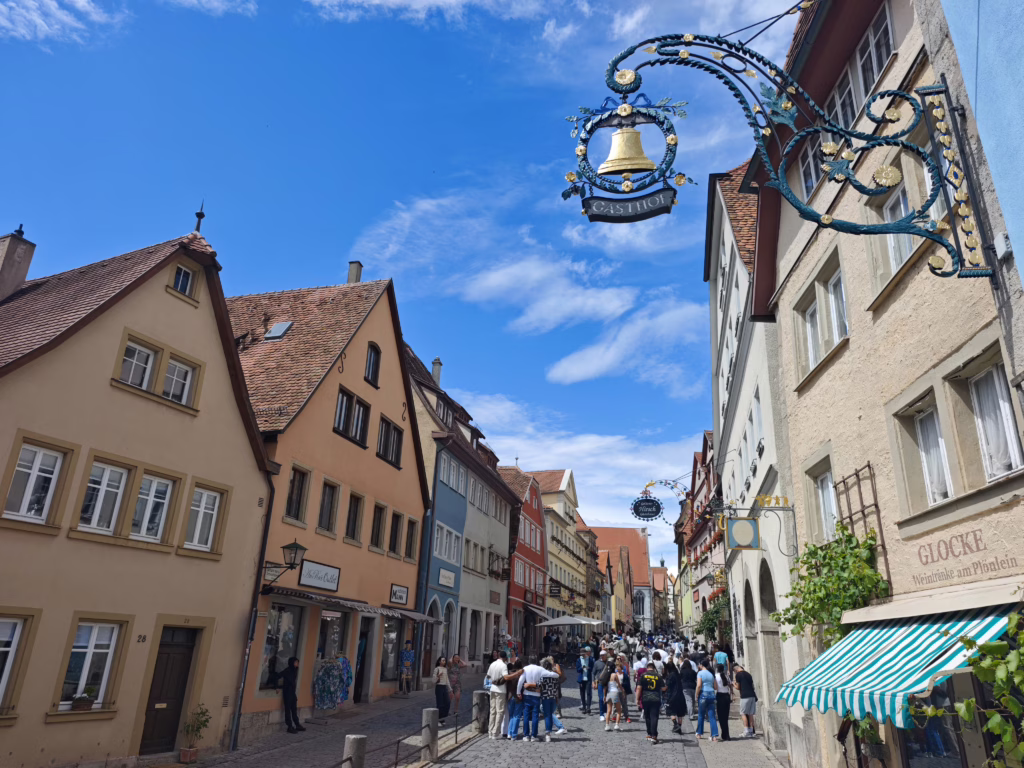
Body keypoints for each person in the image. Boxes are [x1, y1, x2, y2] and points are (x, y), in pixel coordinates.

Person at [517, 657, 550, 742]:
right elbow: (548, 677)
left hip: (527, 694)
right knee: (535, 716)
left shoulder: (525, 669)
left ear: (528, 661)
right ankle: (534, 736)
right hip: (536, 694)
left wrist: (518, 692)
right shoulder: (540, 669)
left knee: (526, 716)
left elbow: (520, 681)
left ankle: (526, 735)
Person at [637, 660, 666, 744]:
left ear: (647, 668)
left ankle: (649, 733)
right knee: (654, 717)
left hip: (645, 698)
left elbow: (639, 688)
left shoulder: (643, 675)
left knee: (647, 716)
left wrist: (637, 699)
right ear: (654, 668)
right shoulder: (658, 676)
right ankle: (654, 735)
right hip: (656, 698)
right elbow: (663, 688)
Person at [538, 658, 568, 740]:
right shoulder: (555, 676)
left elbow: (539, 686)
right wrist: (557, 697)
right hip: (554, 697)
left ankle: (548, 734)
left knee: (547, 715)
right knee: (550, 714)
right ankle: (554, 730)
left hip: (546, 697)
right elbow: (557, 686)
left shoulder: (543, 676)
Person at [277, 656, 304, 734]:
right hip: (287, 692)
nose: (297, 664)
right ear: (292, 663)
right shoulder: (287, 670)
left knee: (294, 709)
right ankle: (289, 726)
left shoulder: (294, 670)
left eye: (297, 662)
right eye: (296, 662)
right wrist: (278, 687)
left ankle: (297, 724)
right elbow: (278, 676)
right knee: (288, 710)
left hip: (292, 693)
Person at [486, 651, 508, 740]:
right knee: (500, 711)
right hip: (501, 690)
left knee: (492, 711)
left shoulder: (492, 664)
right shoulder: (503, 665)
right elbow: (506, 677)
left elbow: (488, 676)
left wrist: (493, 679)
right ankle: (495, 732)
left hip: (492, 689)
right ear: (505, 657)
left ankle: (490, 732)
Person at [695, 660, 719, 741]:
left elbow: (699, 685)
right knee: (712, 716)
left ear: (701, 665)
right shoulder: (711, 674)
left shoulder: (700, 673)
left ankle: (699, 733)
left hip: (703, 694)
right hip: (712, 694)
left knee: (701, 714)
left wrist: (696, 694)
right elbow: (716, 687)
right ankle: (714, 735)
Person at [733, 663, 758, 738]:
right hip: (752, 695)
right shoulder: (748, 674)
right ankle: (751, 732)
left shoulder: (738, 675)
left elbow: (738, 687)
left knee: (743, 713)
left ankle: (746, 731)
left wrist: (733, 684)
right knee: (750, 714)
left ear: (736, 670)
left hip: (745, 696)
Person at [664, 659, 688, 735]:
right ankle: (679, 727)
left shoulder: (670, 676)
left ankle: (675, 725)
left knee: (672, 712)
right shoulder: (678, 674)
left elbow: (667, 686)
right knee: (680, 713)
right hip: (681, 695)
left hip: (672, 696)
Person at [505, 656, 525, 739]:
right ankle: (514, 734)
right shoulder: (521, 674)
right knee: (516, 716)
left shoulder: (510, 673)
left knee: (511, 715)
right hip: (518, 696)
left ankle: (509, 733)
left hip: (510, 696)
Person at [715, 663, 732, 741]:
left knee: (721, 717)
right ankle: (726, 734)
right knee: (725, 717)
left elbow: (715, 687)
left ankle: (724, 734)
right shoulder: (726, 676)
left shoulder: (716, 676)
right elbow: (730, 685)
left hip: (720, 696)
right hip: (727, 696)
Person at [605, 660, 624, 731]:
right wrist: (623, 691)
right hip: (615, 692)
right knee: (619, 710)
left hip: (609, 693)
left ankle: (607, 725)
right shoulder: (614, 675)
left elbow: (605, 687)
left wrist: (604, 696)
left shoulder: (606, 675)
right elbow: (619, 685)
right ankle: (616, 725)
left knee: (608, 710)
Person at [432, 656, 451, 725]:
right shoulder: (437, 669)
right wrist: (438, 676)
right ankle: (439, 719)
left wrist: (450, 689)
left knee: (447, 703)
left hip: (444, 687)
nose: (444, 662)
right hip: (439, 687)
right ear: (439, 661)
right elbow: (433, 681)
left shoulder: (445, 669)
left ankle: (443, 717)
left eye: (444, 661)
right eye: (442, 660)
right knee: (440, 704)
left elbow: (447, 680)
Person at [576, 646, 595, 714]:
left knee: (589, 693)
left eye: (584, 654)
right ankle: (584, 707)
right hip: (581, 679)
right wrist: (582, 667)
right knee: (582, 693)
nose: (583, 655)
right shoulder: (579, 660)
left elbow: (592, 668)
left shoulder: (590, 659)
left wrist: (588, 668)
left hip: (588, 678)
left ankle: (588, 707)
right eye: (582, 654)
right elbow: (577, 670)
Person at [680, 654, 698, 721]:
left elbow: (680, 678)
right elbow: (696, 678)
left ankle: (690, 715)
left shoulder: (682, 671)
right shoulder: (693, 672)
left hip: (685, 687)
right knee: (692, 701)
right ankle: (692, 713)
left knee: (688, 701)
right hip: (693, 687)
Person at [593, 649, 609, 721]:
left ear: (606, 656)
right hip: (600, 683)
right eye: (601, 655)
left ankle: (606, 711)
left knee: (607, 698)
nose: (602, 657)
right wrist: (594, 682)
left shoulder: (609, 663)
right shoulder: (597, 663)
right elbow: (593, 673)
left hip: (608, 683)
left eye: (603, 655)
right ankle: (601, 713)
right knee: (601, 698)